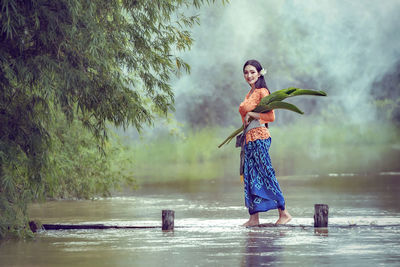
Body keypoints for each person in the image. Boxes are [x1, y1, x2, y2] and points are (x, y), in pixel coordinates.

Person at [238, 59, 292, 226]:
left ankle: (284, 213)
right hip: (249, 139)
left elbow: (271, 117)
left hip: (259, 137)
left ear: (259, 73)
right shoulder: (250, 93)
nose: (249, 75)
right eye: (246, 72)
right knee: (250, 176)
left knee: (266, 173)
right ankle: (254, 218)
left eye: (252, 72)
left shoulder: (263, 92)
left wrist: (252, 115)